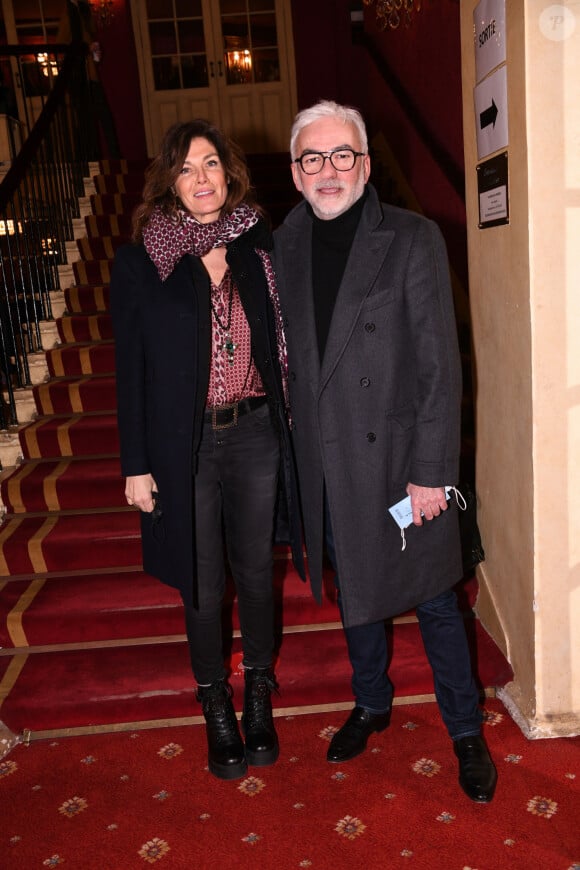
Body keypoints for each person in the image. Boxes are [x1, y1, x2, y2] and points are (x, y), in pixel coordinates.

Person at [273, 100, 497, 803]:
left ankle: (465, 729)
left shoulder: (412, 238)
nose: (329, 170)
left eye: (343, 155)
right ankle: (371, 704)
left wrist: (434, 473)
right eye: (314, 158)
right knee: (356, 599)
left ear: (366, 166)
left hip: (401, 464)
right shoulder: (282, 248)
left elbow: (440, 366)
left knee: (435, 602)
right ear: (296, 171)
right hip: (328, 464)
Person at [110, 119, 303, 781]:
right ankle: (213, 701)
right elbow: (129, 368)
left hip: (253, 434)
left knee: (255, 573)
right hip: (183, 445)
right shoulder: (144, 259)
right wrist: (135, 463)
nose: (201, 179)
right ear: (169, 179)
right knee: (201, 581)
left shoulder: (258, 244)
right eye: (187, 168)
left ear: (230, 173)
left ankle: (256, 692)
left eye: (212, 164)